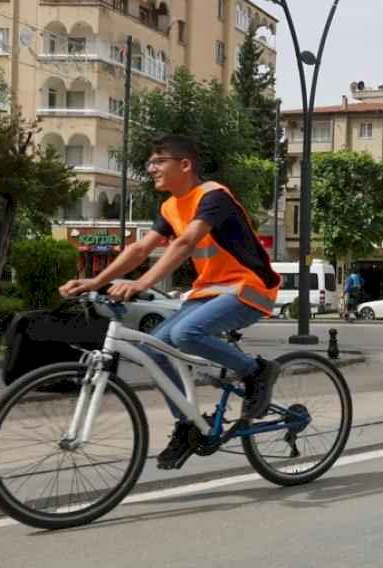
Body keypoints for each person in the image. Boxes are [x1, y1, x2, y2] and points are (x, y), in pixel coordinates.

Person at [58, 135, 282, 470]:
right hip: (209, 291)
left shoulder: (213, 196)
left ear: (185, 164)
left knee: (185, 334)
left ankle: (256, 370)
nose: (151, 169)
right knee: (153, 348)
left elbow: (186, 243)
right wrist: (95, 281)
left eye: (159, 161)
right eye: (150, 162)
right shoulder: (169, 207)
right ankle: (188, 424)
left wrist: (142, 283)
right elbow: (139, 250)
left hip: (249, 288)